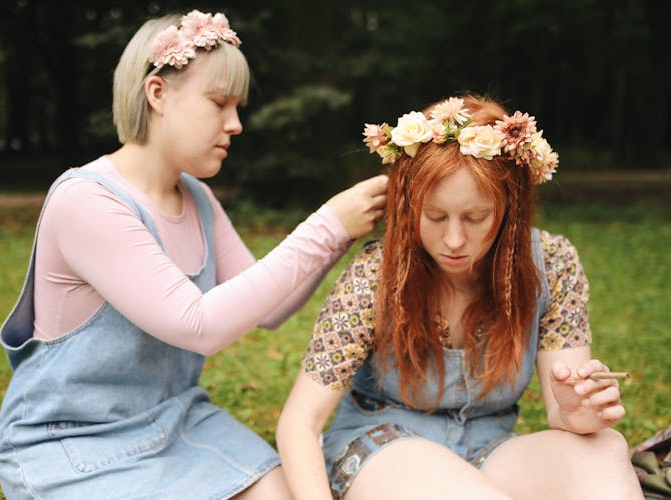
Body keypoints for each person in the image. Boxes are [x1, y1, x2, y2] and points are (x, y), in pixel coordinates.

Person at [0, 10, 387, 499]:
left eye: (238, 107)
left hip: (177, 421)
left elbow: (272, 310)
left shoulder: (195, 196)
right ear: (157, 94)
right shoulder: (87, 201)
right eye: (220, 103)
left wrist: (341, 234)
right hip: (74, 443)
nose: (236, 124)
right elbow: (199, 325)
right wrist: (325, 224)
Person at [276, 94, 644, 499]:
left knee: (604, 451)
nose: (453, 239)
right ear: (408, 206)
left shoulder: (552, 264)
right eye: (434, 217)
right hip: (385, 448)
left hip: (492, 450)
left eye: (475, 218)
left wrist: (576, 412)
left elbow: (564, 409)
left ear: (510, 209)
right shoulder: (375, 275)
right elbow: (299, 424)